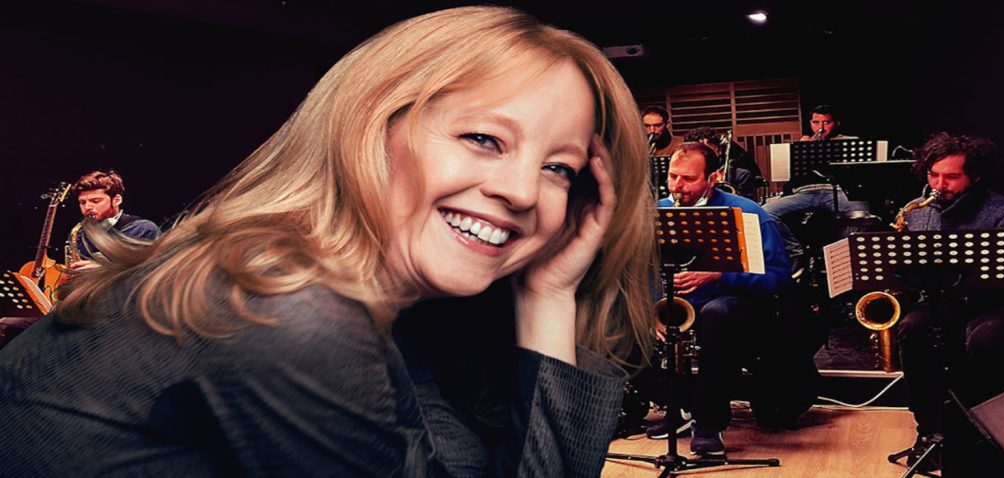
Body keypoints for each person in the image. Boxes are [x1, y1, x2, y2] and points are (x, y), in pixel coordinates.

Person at [0, 7, 657, 476]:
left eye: (558, 169)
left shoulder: (377, 315)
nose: (521, 191)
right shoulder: (287, 312)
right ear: (370, 124)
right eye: (483, 138)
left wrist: (549, 294)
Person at [645, 142, 792, 455]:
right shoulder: (659, 211)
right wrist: (650, 307)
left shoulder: (749, 214)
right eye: (673, 176)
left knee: (717, 314)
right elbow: (644, 269)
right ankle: (680, 406)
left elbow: (778, 278)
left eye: (688, 179)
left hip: (737, 304)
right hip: (680, 304)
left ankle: (708, 422)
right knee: (616, 322)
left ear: (713, 178)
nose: (677, 186)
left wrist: (719, 275)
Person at [895, 132, 1004, 473]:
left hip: (996, 304)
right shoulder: (918, 212)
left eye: (951, 177)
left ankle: (987, 437)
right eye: (933, 175)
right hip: (944, 300)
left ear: (976, 176)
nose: (939, 185)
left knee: (988, 340)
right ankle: (929, 431)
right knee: (912, 329)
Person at [763, 104, 868, 270]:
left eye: (827, 122)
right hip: (804, 193)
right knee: (765, 212)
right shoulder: (803, 142)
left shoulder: (848, 142)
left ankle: (845, 258)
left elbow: (857, 174)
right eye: (816, 122)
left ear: (837, 123)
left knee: (863, 213)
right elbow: (789, 177)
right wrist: (801, 148)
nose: (821, 128)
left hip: (835, 190)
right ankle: (795, 252)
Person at [67, 170, 160, 271]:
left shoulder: (143, 229)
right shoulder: (81, 233)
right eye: (83, 202)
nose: (87, 207)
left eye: (95, 201)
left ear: (117, 200)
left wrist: (105, 270)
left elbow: (155, 269)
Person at [682, 125, 764, 200]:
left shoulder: (741, 175)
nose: (704, 157)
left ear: (719, 150)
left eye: (709, 151)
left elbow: (746, 207)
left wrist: (720, 188)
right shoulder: (682, 177)